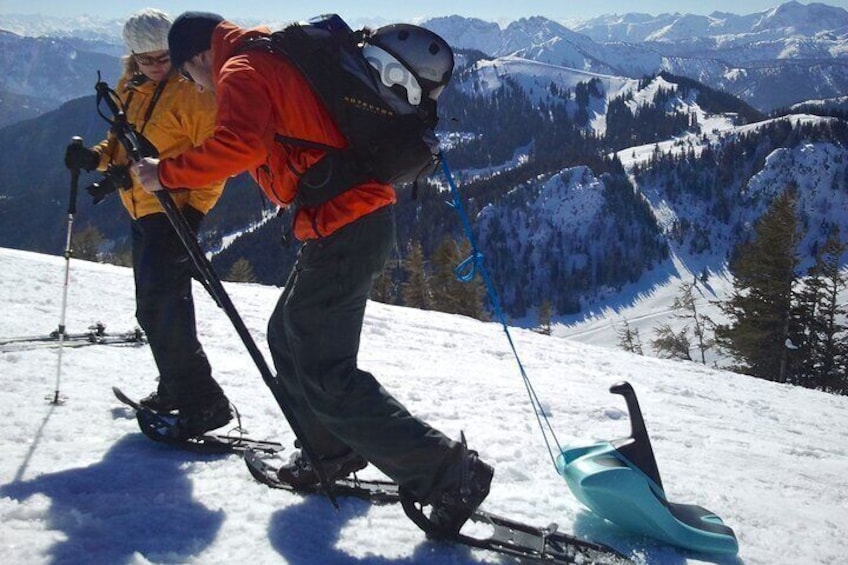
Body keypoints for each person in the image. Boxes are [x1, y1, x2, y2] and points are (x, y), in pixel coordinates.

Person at [132, 12, 493, 536]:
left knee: (325, 368)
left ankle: (447, 473)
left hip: (347, 224)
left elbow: (241, 146)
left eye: (190, 77)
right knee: (287, 334)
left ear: (195, 57)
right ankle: (331, 450)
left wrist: (162, 173)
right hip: (340, 222)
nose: (198, 87)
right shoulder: (270, 51)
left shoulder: (239, 68)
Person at [64, 8, 232, 439]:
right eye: (147, 60)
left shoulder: (194, 93)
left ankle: (203, 401)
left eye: (164, 58)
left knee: (161, 305)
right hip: (141, 207)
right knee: (158, 306)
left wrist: (194, 215)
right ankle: (177, 387)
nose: (158, 66)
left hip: (171, 210)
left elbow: (214, 159)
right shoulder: (132, 85)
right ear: (132, 59)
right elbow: (123, 136)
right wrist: (97, 158)